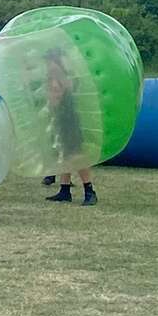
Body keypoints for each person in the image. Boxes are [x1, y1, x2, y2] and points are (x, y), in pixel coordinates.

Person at [43, 50, 97, 206]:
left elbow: (57, 93)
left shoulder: (58, 73)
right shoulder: (60, 72)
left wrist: (53, 98)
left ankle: (89, 191)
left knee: (75, 154)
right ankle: (65, 190)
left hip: (67, 116)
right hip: (62, 115)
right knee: (65, 153)